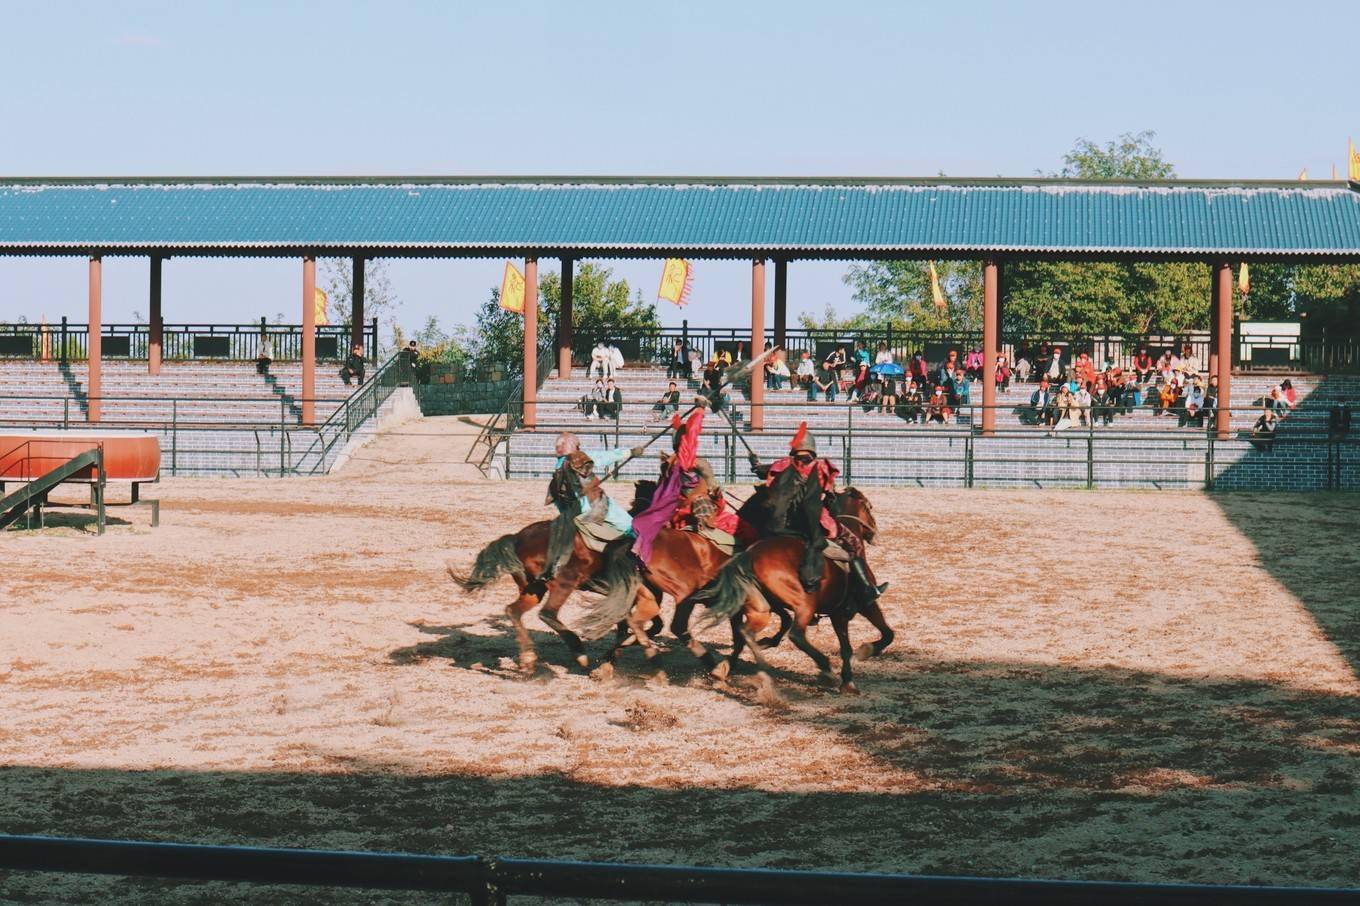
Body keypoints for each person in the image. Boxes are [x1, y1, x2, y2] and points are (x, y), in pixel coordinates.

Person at [746, 422, 886, 607]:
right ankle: (866, 589)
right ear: (812, 449)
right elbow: (829, 497)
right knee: (853, 542)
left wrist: (756, 464)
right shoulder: (820, 467)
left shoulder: (781, 465)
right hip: (812, 521)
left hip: (780, 522)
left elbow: (764, 471)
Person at [540, 433, 645, 582]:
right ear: (571, 446)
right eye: (577, 446)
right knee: (633, 526)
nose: (579, 448)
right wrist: (630, 452)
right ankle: (639, 560)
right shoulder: (576, 458)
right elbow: (603, 457)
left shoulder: (557, 469)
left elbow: (557, 500)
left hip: (573, 514)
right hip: (595, 508)